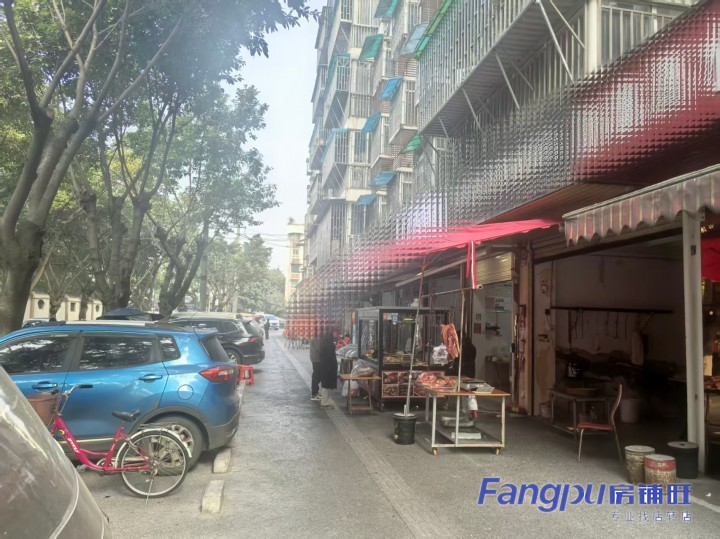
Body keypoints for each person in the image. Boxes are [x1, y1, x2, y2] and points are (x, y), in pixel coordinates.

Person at [319, 329, 338, 407]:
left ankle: (327, 399)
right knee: (327, 384)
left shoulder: (325, 341)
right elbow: (330, 356)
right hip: (328, 366)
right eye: (335, 333)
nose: (336, 335)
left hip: (326, 366)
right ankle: (324, 401)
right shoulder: (329, 343)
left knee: (327, 383)